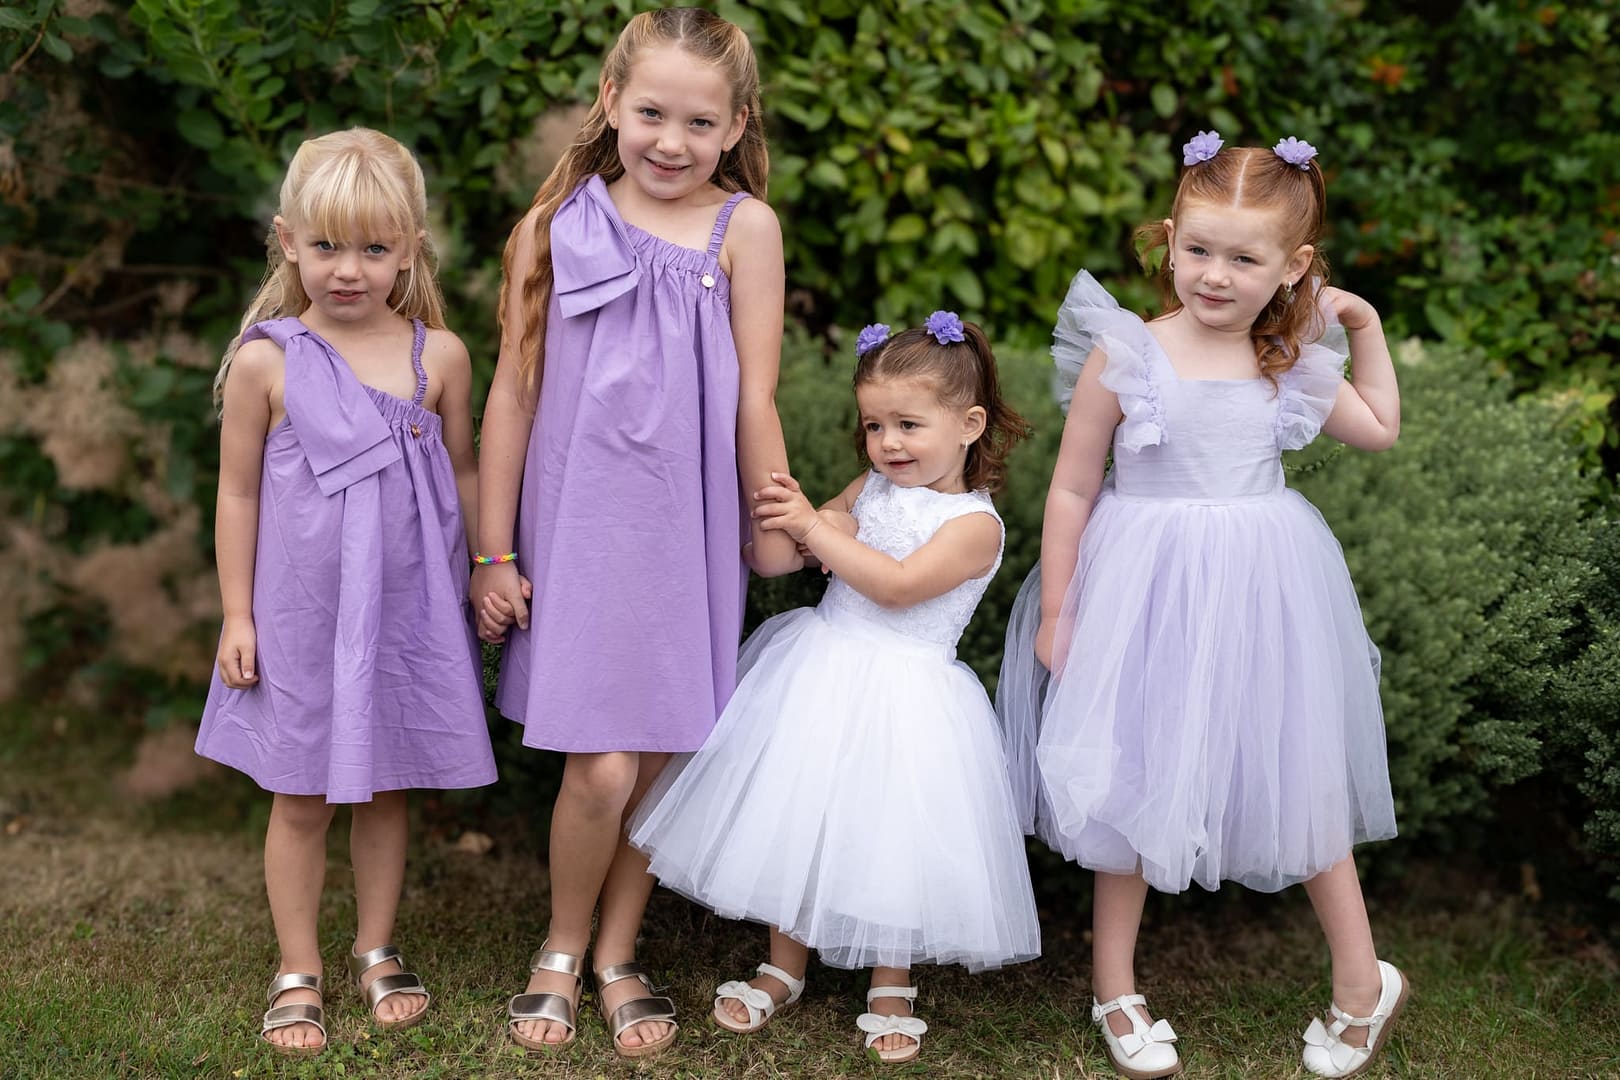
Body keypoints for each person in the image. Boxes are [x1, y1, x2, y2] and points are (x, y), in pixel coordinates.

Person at [999, 132, 1406, 1079]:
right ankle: (1116, 986)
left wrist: (1368, 332)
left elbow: (1380, 429)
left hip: (1263, 591)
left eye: (1245, 258)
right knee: (1129, 773)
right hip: (1140, 587)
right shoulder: (1128, 354)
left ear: (1293, 266)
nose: (1215, 276)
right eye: (1199, 250)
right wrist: (1059, 611)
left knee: (1296, 774)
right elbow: (1069, 488)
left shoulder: (1291, 358)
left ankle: (1362, 982)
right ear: (1170, 238)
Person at [470, 6, 796, 1059]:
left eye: (700, 122)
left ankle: (619, 951)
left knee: (657, 758)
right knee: (600, 766)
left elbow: (754, 396)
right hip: (580, 533)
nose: (670, 140)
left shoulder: (743, 228)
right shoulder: (550, 229)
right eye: (650, 111)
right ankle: (560, 950)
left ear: (736, 124)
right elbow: (512, 401)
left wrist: (771, 514)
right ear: (609, 102)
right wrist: (494, 549)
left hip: (685, 531)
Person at [629, 313, 1041, 1065]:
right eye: (875, 425)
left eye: (909, 424)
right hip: (820, 669)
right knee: (800, 812)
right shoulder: (875, 484)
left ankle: (891, 981)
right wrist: (786, 523)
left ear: (969, 424)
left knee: (890, 834)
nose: (888, 443)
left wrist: (824, 536)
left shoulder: (974, 525)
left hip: (909, 694)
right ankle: (784, 965)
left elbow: (896, 586)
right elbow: (805, 546)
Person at [197, 127, 493, 1055]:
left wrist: (489, 565)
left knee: (386, 785)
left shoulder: (437, 357)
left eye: (375, 248)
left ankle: (373, 945)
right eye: (327, 247)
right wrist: (238, 613)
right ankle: (298, 968)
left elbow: (467, 475)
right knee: (300, 793)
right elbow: (238, 492)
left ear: (411, 248)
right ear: (288, 241)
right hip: (302, 619)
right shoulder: (267, 362)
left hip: (404, 615)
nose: (350, 270)